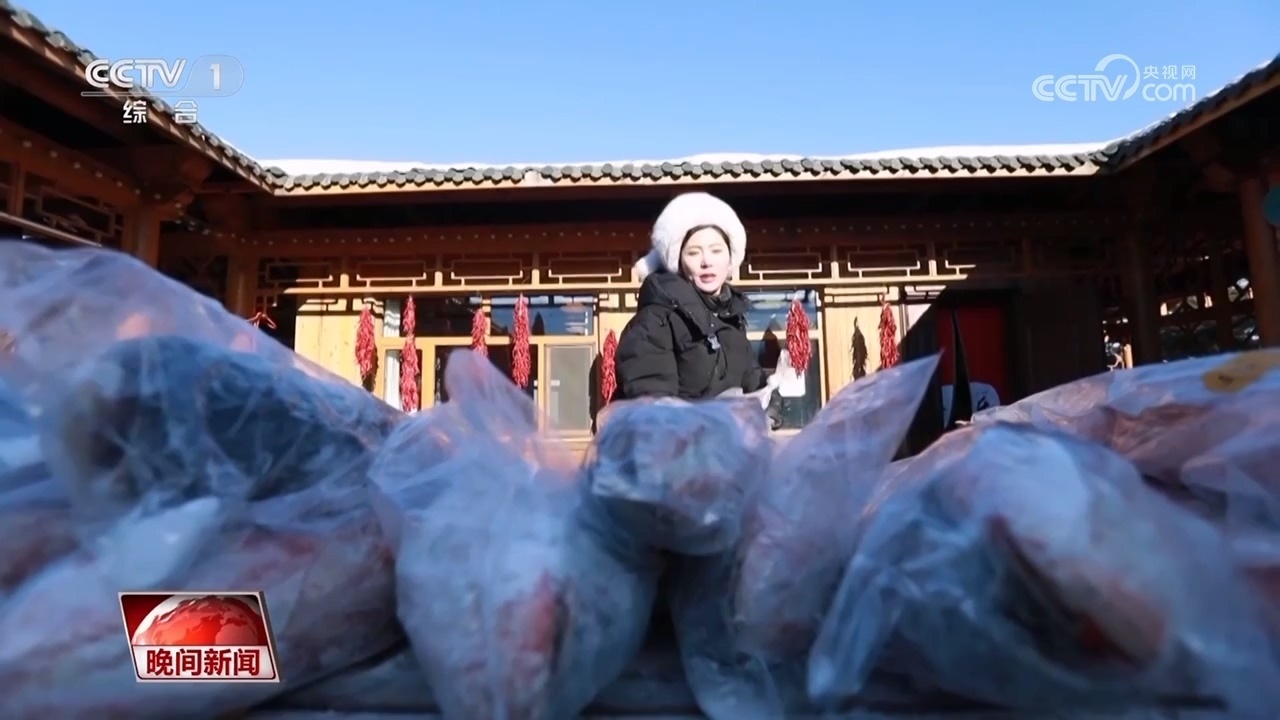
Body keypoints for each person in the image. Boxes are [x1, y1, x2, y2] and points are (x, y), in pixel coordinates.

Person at [614, 192, 781, 425]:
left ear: (730, 258)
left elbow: (753, 381)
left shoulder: (731, 320)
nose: (706, 262)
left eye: (716, 250)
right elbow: (652, 400)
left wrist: (770, 405)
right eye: (693, 252)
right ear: (679, 261)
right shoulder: (656, 318)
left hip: (725, 444)